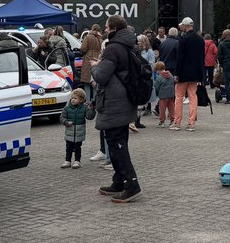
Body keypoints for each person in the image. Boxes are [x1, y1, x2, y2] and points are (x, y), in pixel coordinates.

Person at [92, 14, 142, 203]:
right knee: (118, 142)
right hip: (126, 100)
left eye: (106, 27)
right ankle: (119, 181)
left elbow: (102, 77)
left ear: (113, 29)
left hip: (114, 102)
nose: (105, 30)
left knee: (117, 145)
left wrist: (96, 66)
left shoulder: (113, 49)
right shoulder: (129, 46)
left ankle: (131, 185)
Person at [171, 17, 203, 131]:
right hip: (195, 73)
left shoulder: (183, 39)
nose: (181, 28)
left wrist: (176, 73)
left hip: (183, 73)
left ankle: (177, 122)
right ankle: (191, 123)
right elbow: (201, 58)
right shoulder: (200, 39)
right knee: (193, 97)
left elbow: (180, 58)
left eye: (182, 26)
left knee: (179, 97)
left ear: (185, 26)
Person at [61, 88, 88, 168]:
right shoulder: (67, 108)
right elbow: (62, 118)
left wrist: (91, 109)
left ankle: (77, 161)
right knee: (68, 148)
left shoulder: (84, 108)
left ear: (81, 100)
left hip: (79, 133)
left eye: (75, 98)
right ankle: (67, 161)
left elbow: (89, 117)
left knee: (77, 148)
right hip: (69, 133)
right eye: (72, 98)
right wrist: (66, 122)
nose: (73, 100)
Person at [79, 24, 103, 100]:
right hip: (98, 59)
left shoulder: (88, 37)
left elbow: (83, 49)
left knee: (87, 83)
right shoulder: (101, 39)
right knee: (95, 83)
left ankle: (88, 102)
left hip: (88, 59)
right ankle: (95, 101)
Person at [152, 60, 176, 127]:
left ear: (158, 70)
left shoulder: (159, 78)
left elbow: (156, 87)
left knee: (162, 109)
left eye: (156, 70)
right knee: (171, 108)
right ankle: (172, 120)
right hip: (171, 95)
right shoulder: (170, 75)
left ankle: (162, 122)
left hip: (163, 96)